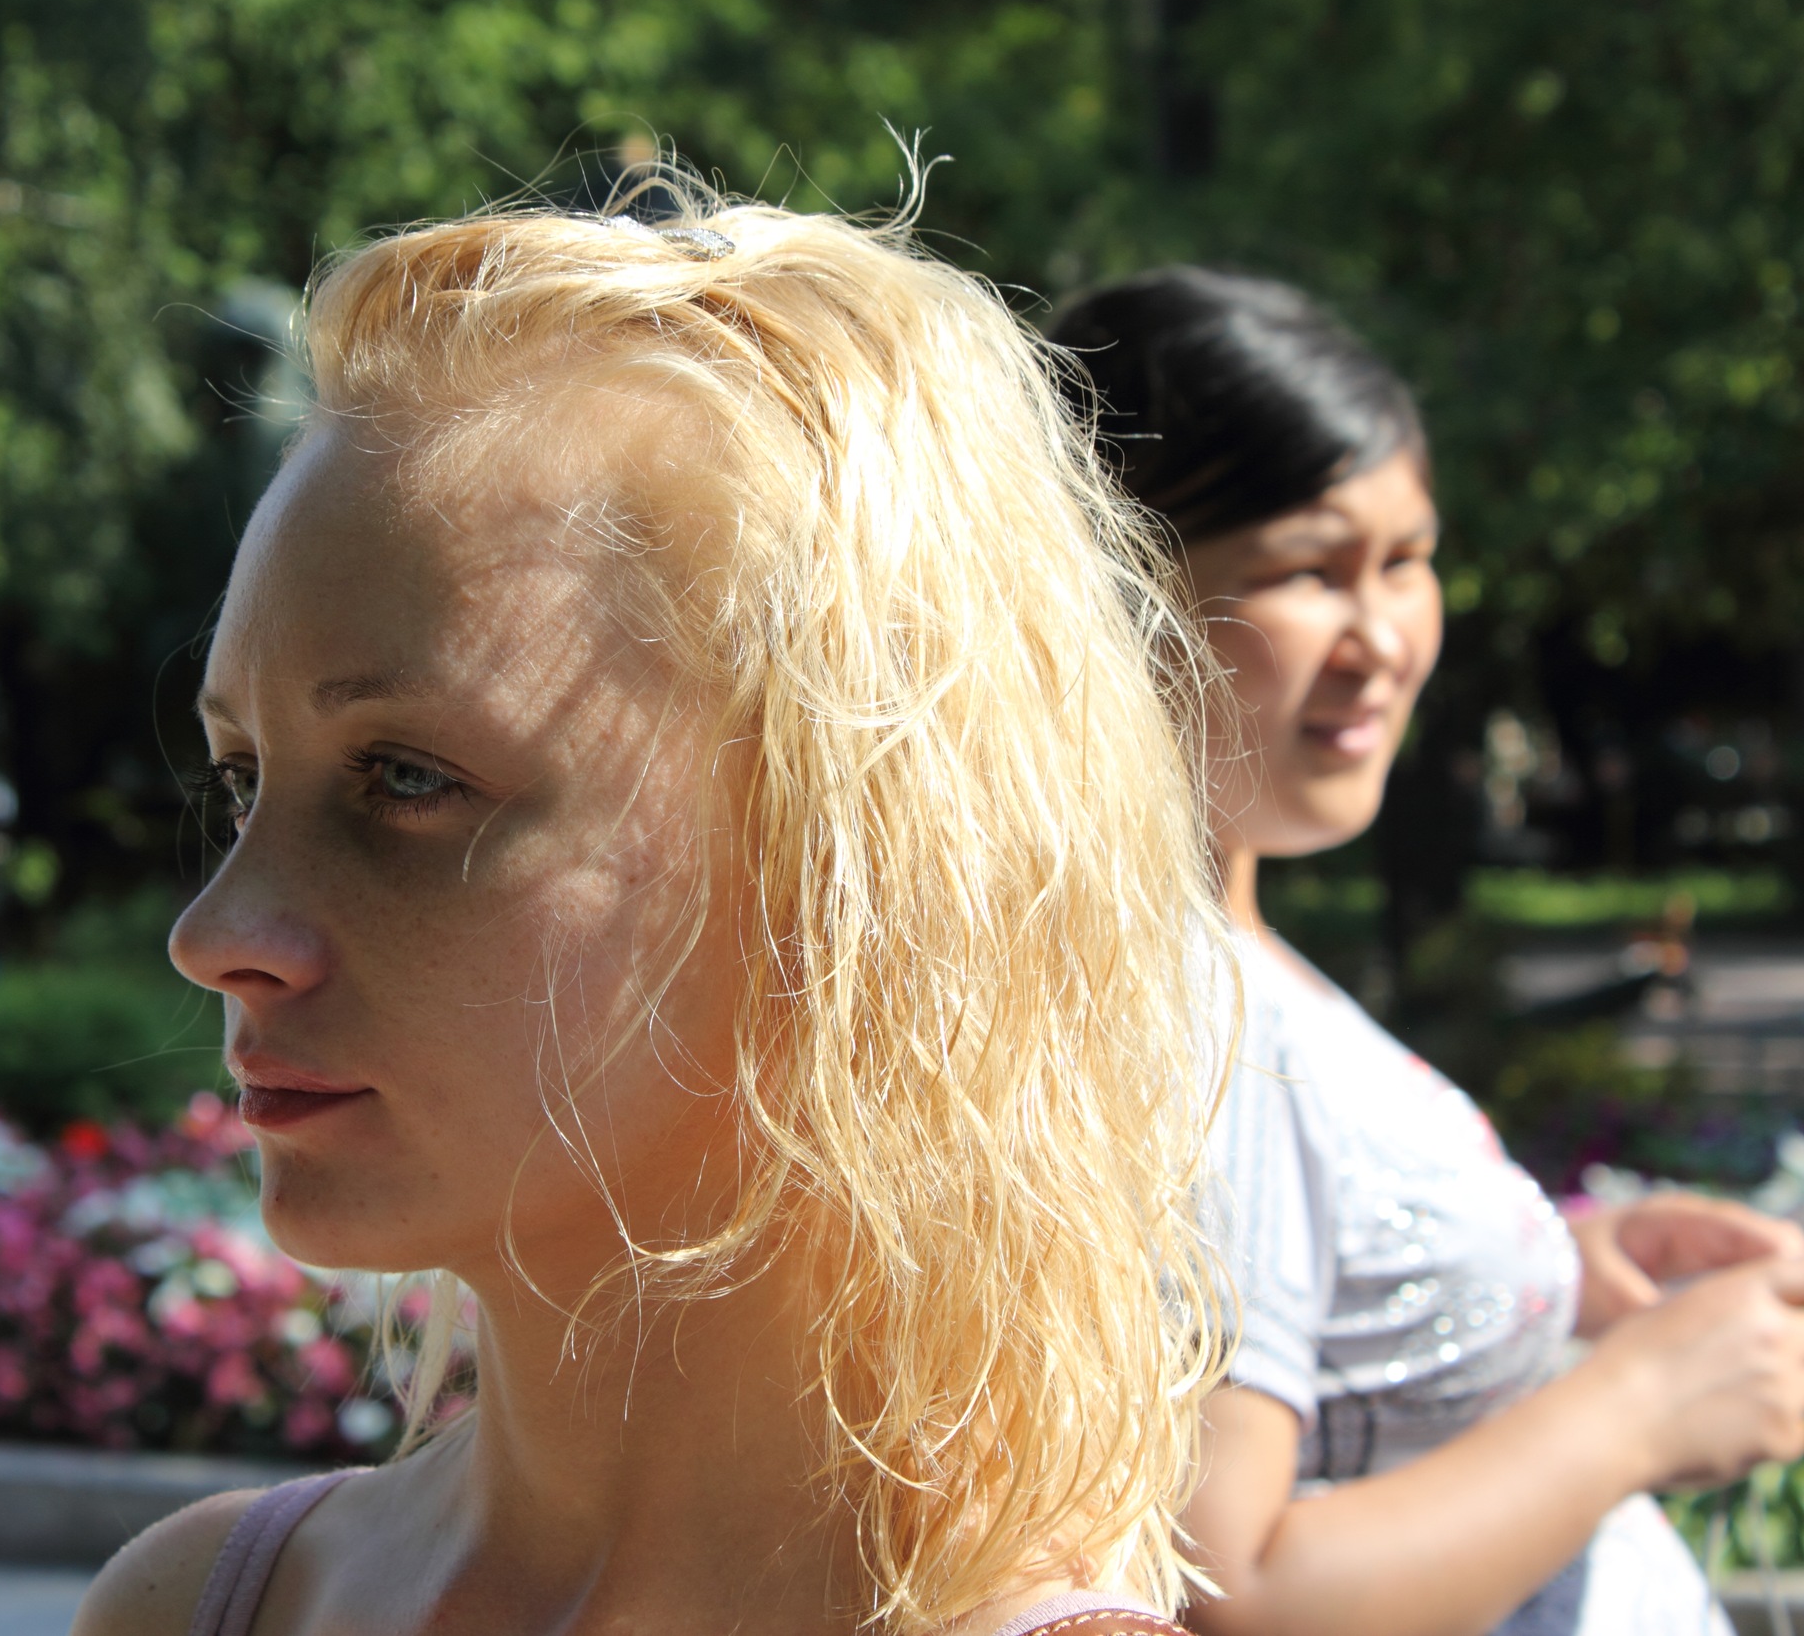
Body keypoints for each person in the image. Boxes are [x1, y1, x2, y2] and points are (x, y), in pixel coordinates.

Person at [78, 192, 1228, 1636]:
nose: (215, 931)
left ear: (843, 868)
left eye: (408, 779)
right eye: (242, 777)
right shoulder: (197, 1605)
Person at [1050, 268, 1804, 1636]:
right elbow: (1225, 1589)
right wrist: (1639, 1404)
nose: (1384, 638)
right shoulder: (1190, 1015)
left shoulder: (1221, 958)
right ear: (1113, 590)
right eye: (1309, 570)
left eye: (1406, 560)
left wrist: (1545, 1274)